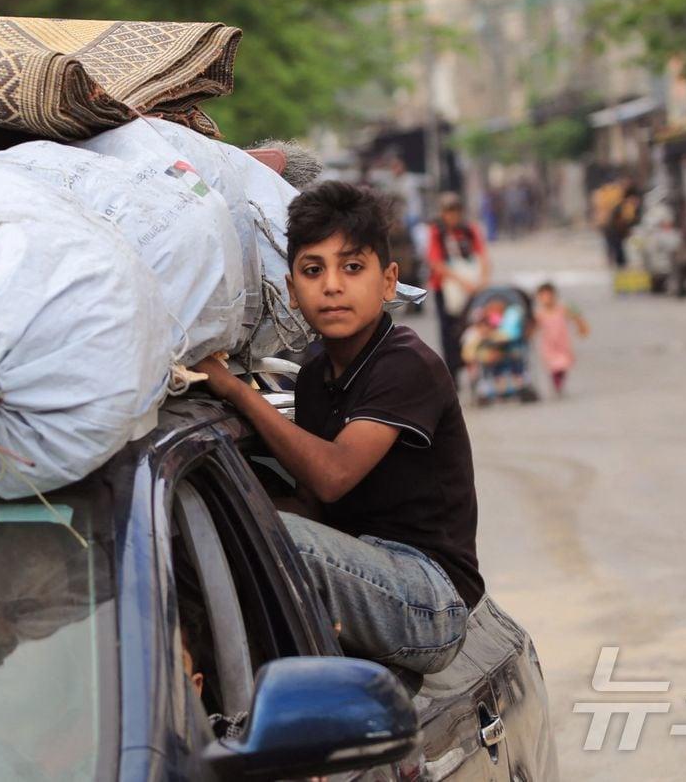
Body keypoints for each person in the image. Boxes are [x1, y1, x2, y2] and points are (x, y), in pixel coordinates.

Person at [195, 181, 480, 675]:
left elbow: (333, 475)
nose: (331, 286)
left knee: (259, 536)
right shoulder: (312, 374)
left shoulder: (407, 364)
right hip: (361, 568)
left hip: (429, 596)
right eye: (312, 270)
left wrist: (235, 391)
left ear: (388, 281)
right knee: (215, 532)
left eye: (352, 267)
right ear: (290, 290)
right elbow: (313, 505)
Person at [425, 192, 489, 387]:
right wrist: (460, 280)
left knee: (472, 330)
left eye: (455, 211)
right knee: (449, 333)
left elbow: (482, 256)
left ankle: (473, 371)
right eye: (448, 211)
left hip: (470, 290)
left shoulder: (469, 231)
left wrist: (482, 281)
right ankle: (453, 374)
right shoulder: (437, 232)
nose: (452, 216)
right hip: (445, 290)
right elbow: (435, 262)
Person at [533, 282, 589, 396]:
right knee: (553, 365)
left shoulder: (562, 308)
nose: (546, 299)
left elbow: (576, 317)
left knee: (563, 363)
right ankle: (556, 383)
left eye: (548, 296)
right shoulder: (539, 313)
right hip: (548, 344)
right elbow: (534, 326)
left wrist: (581, 327)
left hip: (562, 342)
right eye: (543, 296)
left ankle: (559, 381)